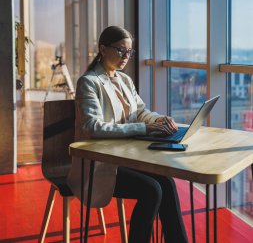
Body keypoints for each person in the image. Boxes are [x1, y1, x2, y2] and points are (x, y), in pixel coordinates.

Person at [67, 26, 189, 243]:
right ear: (103, 49)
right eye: (121, 50)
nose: (126, 56)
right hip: (99, 165)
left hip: (126, 157)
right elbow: (92, 127)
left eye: (129, 52)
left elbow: (140, 112)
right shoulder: (88, 82)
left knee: (167, 183)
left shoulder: (124, 80)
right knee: (152, 190)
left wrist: (159, 120)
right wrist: (143, 129)